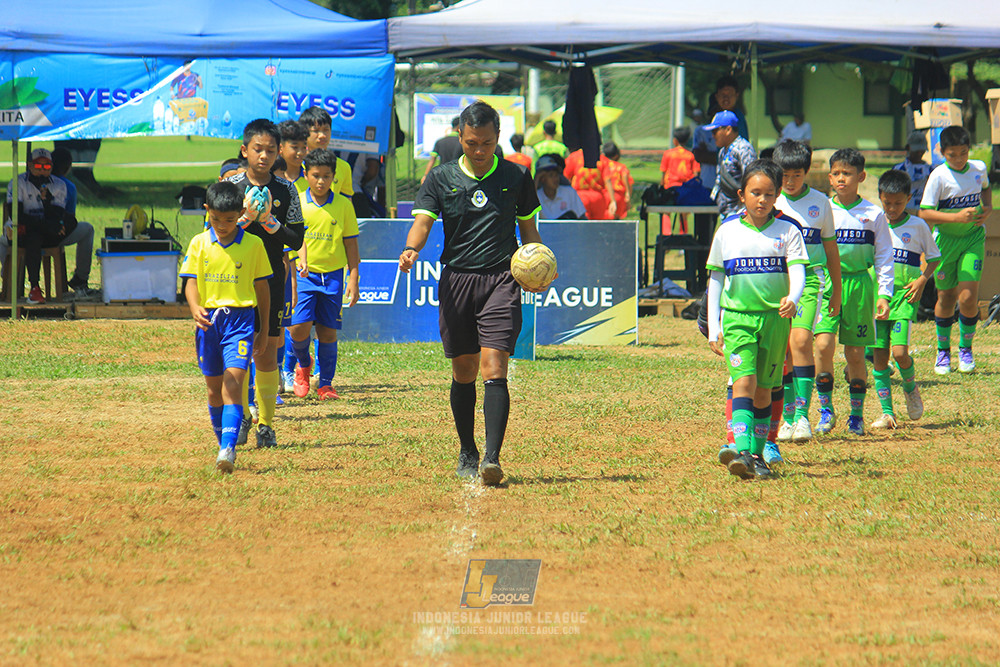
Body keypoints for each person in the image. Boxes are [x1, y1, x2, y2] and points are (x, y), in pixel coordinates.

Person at [399, 100, 545, 487]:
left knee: (494, 367)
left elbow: (529, 233)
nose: (479, 151)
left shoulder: (517, 177)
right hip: (457, 280)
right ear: (459, 137)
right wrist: (412, 248)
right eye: (471, 143)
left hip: (501, 279)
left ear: (498, 139)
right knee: (463, 370)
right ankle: (468, 449)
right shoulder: (441, 178)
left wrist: (538, 265)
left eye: (487, 143)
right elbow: (423, 222)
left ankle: (492, 458)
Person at [707, 159, 808, 480]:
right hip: (738, 319)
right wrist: (714, 326)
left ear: (777, 195)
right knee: (744, 383)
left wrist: (792, 298)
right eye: (755, 193)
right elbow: (716, 281)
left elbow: (798, 270)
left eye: (768, 194)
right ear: (741, 194)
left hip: (774, 322)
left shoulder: (788, 231)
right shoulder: (727, 232)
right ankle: (742, 450)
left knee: (765, 390)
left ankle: (758, 454)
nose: (762, 200)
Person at [180, 180, 272, 473]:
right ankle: (224, 442)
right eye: (216, 219)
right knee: (213, 390)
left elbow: (263, 289)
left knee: (233, 383)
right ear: (207, 211)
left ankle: (228, 450)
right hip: (209, 323)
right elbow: (190, 282)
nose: (222, 225)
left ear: (241, 213)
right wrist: (195, 308)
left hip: (240, 321)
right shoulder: (199, 243)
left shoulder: (254, 245)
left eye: (230, 220)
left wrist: (263, 326)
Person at [226, 119, 305, 449]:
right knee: (239, 355)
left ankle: (267, 424)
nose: (264, 156)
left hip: (272, 279)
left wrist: (272, 224)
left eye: (271, 151)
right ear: (245, 150)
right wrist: (243, 220)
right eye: (257, 149)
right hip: (235, 280)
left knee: (267, 353)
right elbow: (213, 232)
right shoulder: (230, 186)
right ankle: (243, 415)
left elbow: (297, 239)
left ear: (278, 154)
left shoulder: (286, 190)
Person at [812, 148, 894, 436]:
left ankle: (856, 415)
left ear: (861, 176)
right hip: (827, 285)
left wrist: (884, 293)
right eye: (835, 173)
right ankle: (825, 410)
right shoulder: (823, 209)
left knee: (856, 355)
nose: (840, 179)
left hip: (860, 286)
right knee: (822, 346)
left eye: (847, 173)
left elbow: (884, 255)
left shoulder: (873, 214)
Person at [771, 141, 842, 448]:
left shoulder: (820, 203)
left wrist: (836, 291)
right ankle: (787, 416)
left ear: (806, 171)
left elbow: (830, 249)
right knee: (783, 351)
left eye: (797, 174)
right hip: (777, 283)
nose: (790, 180)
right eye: (785, 174)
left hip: (811, 281)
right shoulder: (770, 202)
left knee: (800, 341)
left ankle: (802, 416)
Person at [918, 125, 991, 375]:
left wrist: (988, 208)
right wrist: (956, 217)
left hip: (972, 239)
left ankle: (966, 349)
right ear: (942, 151)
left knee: (968, 298)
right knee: (946, 298)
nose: (959, 159)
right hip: (945, 243)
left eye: (963, 153)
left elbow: (986, 188)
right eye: (953, 154)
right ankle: (942, 352)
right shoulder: (938, 176)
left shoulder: (978, 168)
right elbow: (924, 213)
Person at [870, 169, 941, 429]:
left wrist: (922, 280)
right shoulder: (874, 223)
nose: (891, 208)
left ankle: (911, 389)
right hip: (878, 299)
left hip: (904, 299)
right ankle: (887, 413)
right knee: (879, 355)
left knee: (899, 353)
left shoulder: (918, 226)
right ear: (880, 197)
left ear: (909, 198)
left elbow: (934, 257)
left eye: (898, 203)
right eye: (887, 202)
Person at [288, 149, 360, 400]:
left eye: (326, 176)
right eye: (316, 175)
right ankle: (303, 362)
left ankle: (326, 384)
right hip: (304, 276)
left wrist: (353, 277)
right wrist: (298, 263)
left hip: (332, 277)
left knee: (328, 331)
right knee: (298, 328)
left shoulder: (343, 205)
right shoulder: (296, 201)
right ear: (305, 174)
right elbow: (292, 240)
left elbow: (351, 244)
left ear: (334, 176)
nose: (321, 181)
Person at [2, 148, 78, 304]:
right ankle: (35, 287)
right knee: (34, 235)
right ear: (29, 165)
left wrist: (47, 202)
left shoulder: (58, 185)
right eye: (38, 166)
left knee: (71, 221)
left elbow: (57, 215)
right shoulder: (18, 183)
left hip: (47, 231)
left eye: (47, 166)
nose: (42, 170)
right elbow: (17, 215)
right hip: (23, 231)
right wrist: (48, 225)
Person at [42, 148, 97, 295]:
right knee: (87, 230)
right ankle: (81, 277)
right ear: (68, 167)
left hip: (31, 232)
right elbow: (69, 218)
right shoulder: (68, 187)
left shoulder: (32, 182)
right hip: (54, 235)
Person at [704, 110, 757, 218]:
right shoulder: (723, 151)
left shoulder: (743, 149)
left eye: (715, 131)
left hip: (739, 212)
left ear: (728, 129)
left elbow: (752, 179)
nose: (713, 136)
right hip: (725, 210)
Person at [299, 106, 354, 199]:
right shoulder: (296, 164)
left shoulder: (343, 167)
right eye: (316, 130)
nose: (322, 135)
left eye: (326, 130)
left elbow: (347, 204)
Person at [535, 155, 586, 220]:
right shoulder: (536, 196)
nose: (555, 179)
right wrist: (536, 180)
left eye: (556, 175)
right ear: (542, 178)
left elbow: (582, 218)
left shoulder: (569, 192)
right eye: (551, 175)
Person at [893, 131, 932, 214]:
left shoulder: (930, 170)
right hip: (904, 213)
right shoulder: (898, 170)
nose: (919, 153)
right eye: (916, 150)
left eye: (922, 150)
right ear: (907, 148)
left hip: (924, 213)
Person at [421, 116, 462, 185]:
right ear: (458, 127)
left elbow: (432, 160)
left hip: (443, 176)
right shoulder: (463, 143)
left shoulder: (440, 142)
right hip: (458, 176)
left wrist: (425, 175)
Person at [602, 142, 633, 219]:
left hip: (604, 195)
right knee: (616, 219)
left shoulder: (602, 165)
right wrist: (628, 194)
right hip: (618, 196)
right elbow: (626, 178)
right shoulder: (621, 167)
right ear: (616, 155)